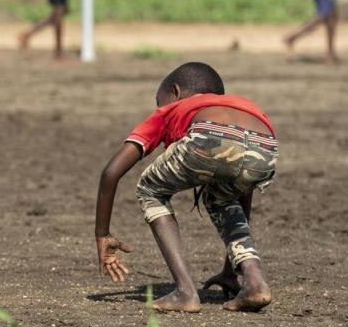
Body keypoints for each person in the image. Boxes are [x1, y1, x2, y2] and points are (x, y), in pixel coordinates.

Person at [92, 63, 278, 313]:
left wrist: (103, 233)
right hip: (265, 143)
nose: (160, 107)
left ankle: (185, 292)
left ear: (175, 92)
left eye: (160, 101)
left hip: (207, 135)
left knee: (150, 189)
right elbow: (242, 202)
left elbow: (111, 172)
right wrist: (230, 270)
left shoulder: (173, 109)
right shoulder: (242, 107)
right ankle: (254, 282)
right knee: (221, 199)